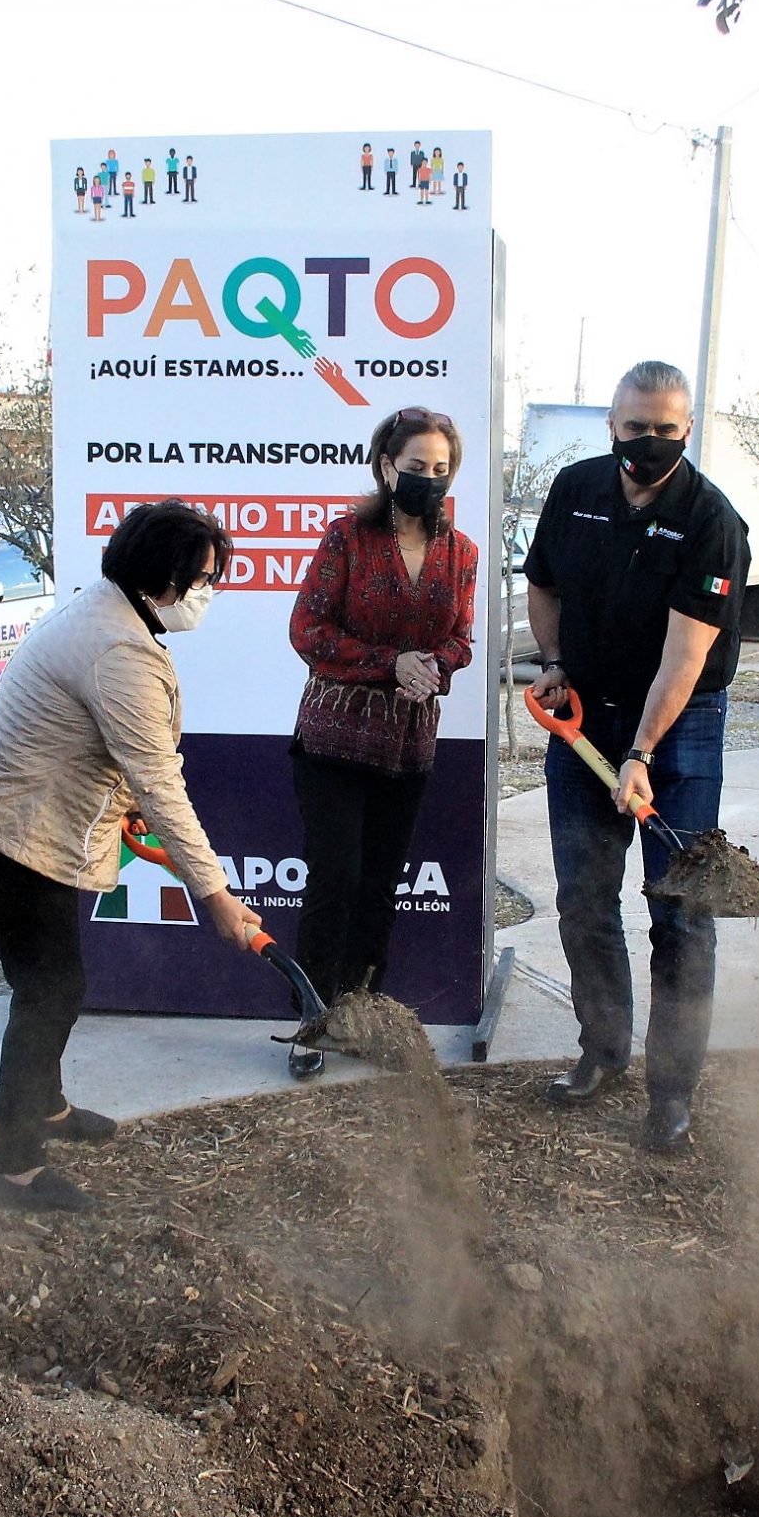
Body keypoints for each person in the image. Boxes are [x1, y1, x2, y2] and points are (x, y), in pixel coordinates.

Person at [0, 500, 262, 1211]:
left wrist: (125, 795)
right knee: (50, 989)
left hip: (16, 824)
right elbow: (161, 785)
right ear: (159, 576)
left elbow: (109, 751)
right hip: (1, 835)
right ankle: (15, 1170)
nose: (208, 592)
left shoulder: (110, 613)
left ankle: (45, 1105)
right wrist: (218, 897)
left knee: (52, 981)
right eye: (201, 579)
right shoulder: (119, 649)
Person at [524, 361, 751, 1151]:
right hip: (584, 714)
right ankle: (603, 1052)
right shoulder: (577, 489)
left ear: (687, 429)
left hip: (678, 728)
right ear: (611, 425)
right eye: (634, 427)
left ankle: (673, 1093)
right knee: (584, 896)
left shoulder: (712, 519)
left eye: (665, 429)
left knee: (680, 911)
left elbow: (686, 657)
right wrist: (553, 663)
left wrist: (642, 752)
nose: (648, 441)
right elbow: (543, 585)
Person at [284, 408, 478, 1077]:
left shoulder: (463, 553)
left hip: (408, 747)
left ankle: (361, 1016)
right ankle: (313, 1020)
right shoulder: (347, 538)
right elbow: (306, 630)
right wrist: (387, 663)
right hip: (334, 741)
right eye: (417, 467)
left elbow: (460, 639)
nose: (429, 480)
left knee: (378, 889)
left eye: (441, 470)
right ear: (386, 466)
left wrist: (439, 665)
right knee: (334, 881)